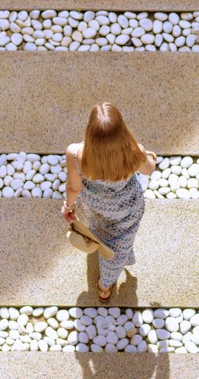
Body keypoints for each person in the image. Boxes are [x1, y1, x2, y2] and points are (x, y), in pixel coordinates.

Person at [60, 102, 157, 302]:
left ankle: (105, 244)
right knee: (122, 240)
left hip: (96, 205)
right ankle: (105, 285)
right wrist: (150, 157)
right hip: (127, 206)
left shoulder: (76, 154)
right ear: (122, 130)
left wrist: (68, 206)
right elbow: (148, 169)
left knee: (100, 228)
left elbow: (73, 187)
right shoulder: (134, 151)